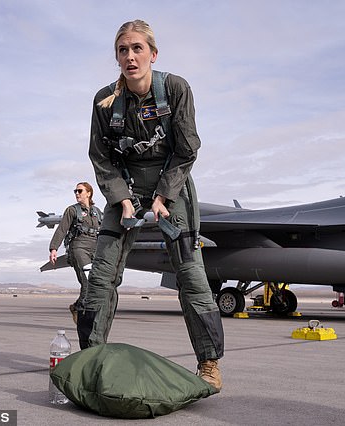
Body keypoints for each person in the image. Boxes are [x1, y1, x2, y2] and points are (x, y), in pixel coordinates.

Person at [77, 19, 224, 392]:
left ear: (152, 54)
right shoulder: (104, 100)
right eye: (122, 50)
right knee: (102, 276)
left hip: (171, 186)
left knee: (191, 276)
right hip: (123, 188)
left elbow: (187, 148)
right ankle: (89, 359)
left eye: (137, 48)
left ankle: (209, 364)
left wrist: (162, 197)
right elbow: (100, 156)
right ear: (117, 57)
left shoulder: (175, 89)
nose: (130, 56)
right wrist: (122, 199)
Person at [49, 182, 102, 324]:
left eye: (80, 191)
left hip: (95, 249)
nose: (77, 193)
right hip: (79, 248)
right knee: (87, 280)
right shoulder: (72, 210)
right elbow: (62, 229)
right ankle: (84, 315)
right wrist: (54, 248)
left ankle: (78, 307)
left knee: (95, 283)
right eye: (75, 191)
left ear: (88, 193)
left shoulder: (97, 211)